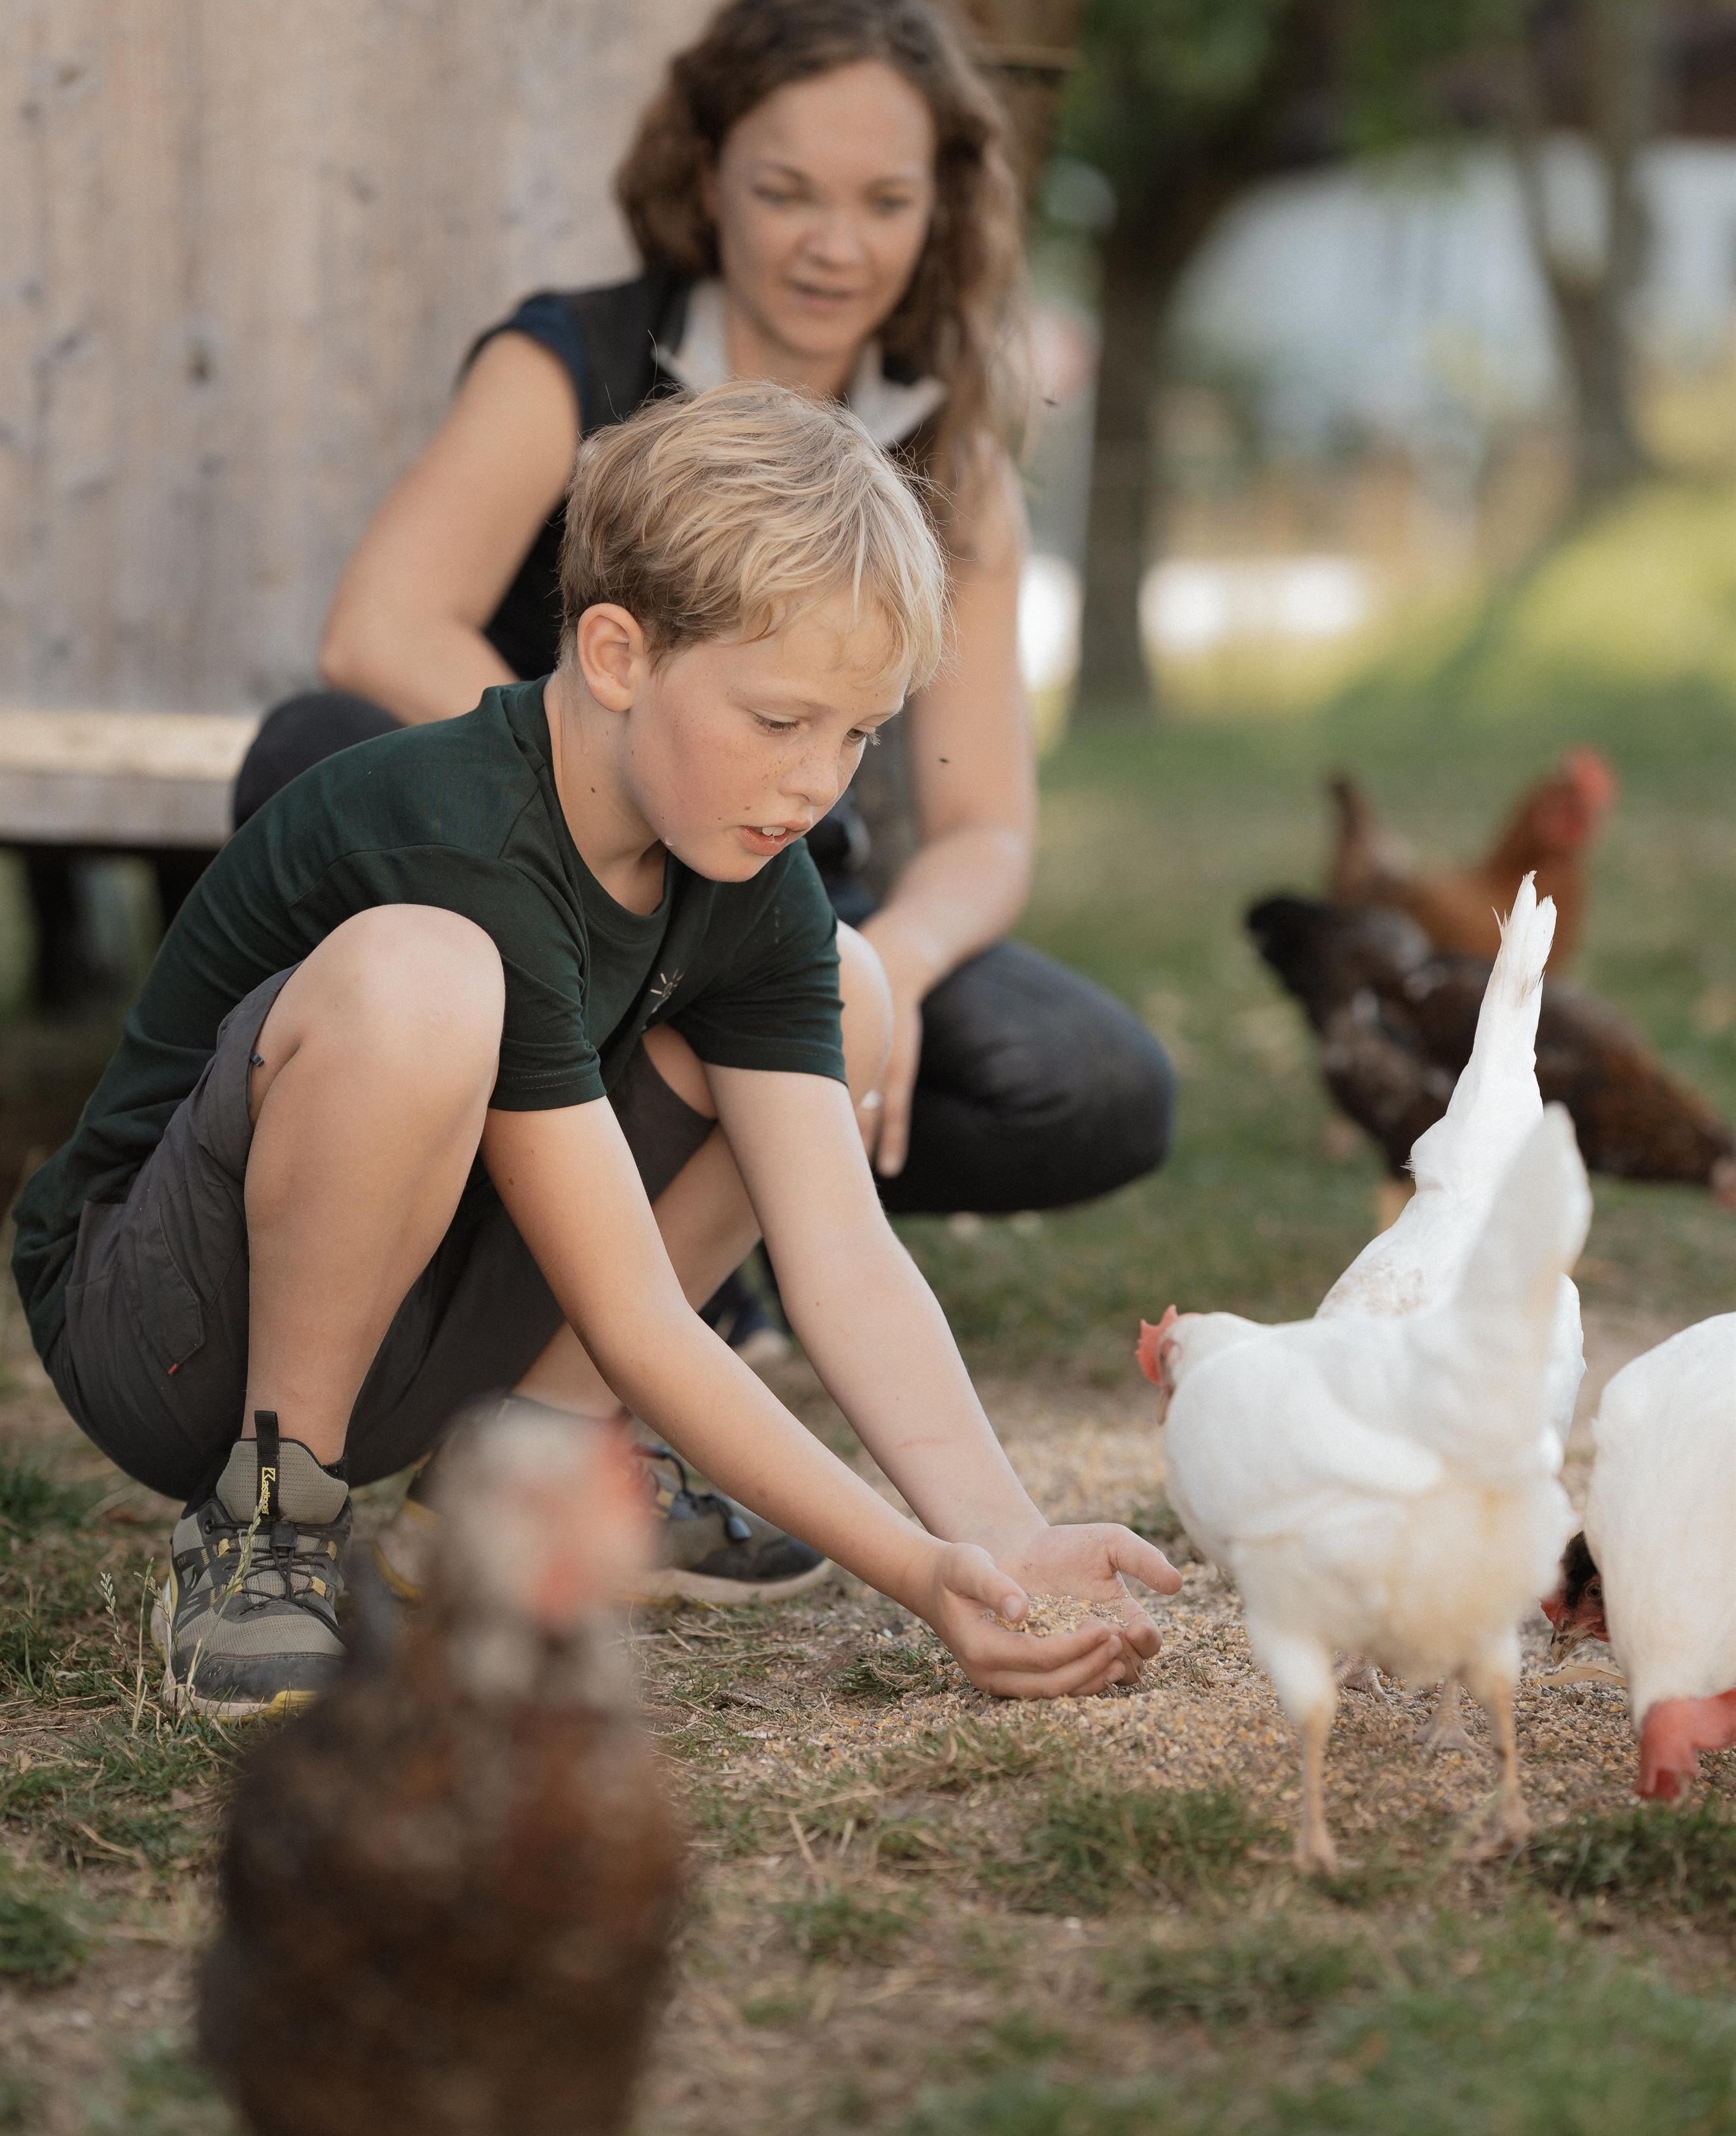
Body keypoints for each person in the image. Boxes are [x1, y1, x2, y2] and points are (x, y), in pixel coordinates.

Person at [12, 384, 1179, 1721]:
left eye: (859, 735)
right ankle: (268, 1518)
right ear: (617, 656)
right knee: (425, 983)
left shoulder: (751, 865)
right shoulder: (462, 830)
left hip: (415, 1327)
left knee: (852, 986)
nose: (818, 784)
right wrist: (918, 1573)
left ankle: (514, 1475)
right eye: (780, 721)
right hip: (165, 1330)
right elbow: (634, 1311)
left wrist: (1003, 1538)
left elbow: (842, 1253)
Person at [243, 0, 1173, 1241]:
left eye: (885, 201)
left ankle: (729, 1217)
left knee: (1094, 1082)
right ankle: (513, 1188)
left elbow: (984, 830)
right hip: (533, 873)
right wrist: (614, 800)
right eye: (786, 192)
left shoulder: (953, 447)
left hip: (765, 899)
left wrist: (885, 976)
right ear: (704, 178)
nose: (834, 245)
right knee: (311, 753)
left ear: (942, 210)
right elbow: (379, 629)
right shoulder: (569, 355)